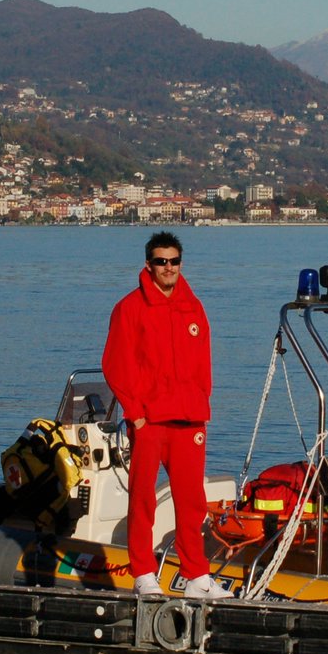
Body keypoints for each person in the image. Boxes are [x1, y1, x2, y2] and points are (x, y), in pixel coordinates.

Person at [101, 232, 231, 600]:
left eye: (173, 261)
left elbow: (203, 363)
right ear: (149, 265)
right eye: (161, 261)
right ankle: (143, 573)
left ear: (181, 263)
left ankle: (196, 577)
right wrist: (136, 415)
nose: (168, 268)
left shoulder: (194, 307)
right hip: (150, 422)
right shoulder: (130, 308)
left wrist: (201, 405)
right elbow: (115, 364)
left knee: (191, 503)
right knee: (142, 500)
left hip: (189, 421)